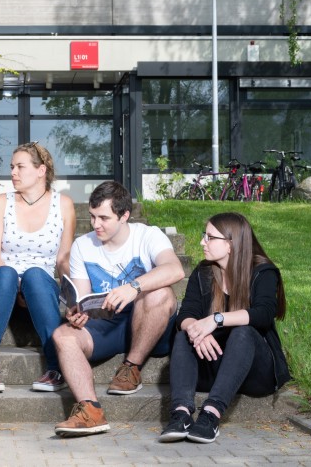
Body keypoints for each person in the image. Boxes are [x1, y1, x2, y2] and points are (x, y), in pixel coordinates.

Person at [52, 180, 185, 437]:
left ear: (124, 216)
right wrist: (77, 312)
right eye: (92, 217)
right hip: (108, 324)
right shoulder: (83, 246)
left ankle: (131, 367)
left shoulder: (147, 235)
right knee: (62, 335)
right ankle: (90, 411)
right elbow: (83, 295)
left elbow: (174, 269)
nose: (95, 225)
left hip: (150, 323)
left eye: (103, 218)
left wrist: (133, 287)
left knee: (159, 293)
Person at [159, 212, 290, 444]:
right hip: (213, 364)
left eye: (209, 237)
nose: (202, 242)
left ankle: (211, 414)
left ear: (230, 244)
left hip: (255, 373)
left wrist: (217, 319)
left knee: (243, 331)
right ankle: (181, 413)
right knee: (183, 335)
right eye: (204, 236)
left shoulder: (262, 271)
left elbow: (264, 313)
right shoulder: (204, 272)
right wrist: (195, 331)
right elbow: (186, 314)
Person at [0, 142, 76, 393]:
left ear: (41, 171)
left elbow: (63, 259)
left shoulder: (63, 205)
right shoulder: (0, 202)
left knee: (36, 275)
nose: (13, 173)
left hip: (38, 291)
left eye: (20, 167)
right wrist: (17, 287)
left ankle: (55, 368)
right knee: (6, 273)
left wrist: (74, 293)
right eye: (12, 167)